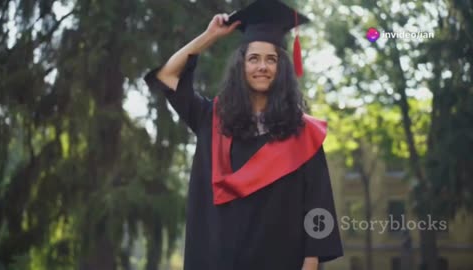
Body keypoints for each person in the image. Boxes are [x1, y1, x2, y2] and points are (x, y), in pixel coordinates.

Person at [144, 0, 343, 269]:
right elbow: (168, 75)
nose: (262, 66)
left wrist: (310, 265)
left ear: (281, 69)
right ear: (241, 66)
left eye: (271, 59)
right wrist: (209, 36)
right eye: (253, 58)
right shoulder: (211, 120)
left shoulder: (304, 133)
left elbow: (318, 207)